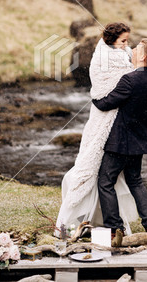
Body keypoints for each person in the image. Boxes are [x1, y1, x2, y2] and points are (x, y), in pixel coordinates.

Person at [55, 23, 139, 236]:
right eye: (123, 41)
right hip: (103, 116)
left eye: (127, 40)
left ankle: (102, 220)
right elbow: (105, 88)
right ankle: (80, 218)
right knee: (91, 165)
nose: (127, 45)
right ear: (111, 41)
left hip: (113, 115)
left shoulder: (123, 54)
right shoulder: (106, 58)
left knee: (106, 173)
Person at [92, 38, 147, 237]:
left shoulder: (129, 79)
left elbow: (106, 103)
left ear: (142, 56)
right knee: (135, 180)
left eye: (137, 48)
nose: (131, 50)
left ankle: (115, 228)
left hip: (121, 142)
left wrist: (94, 95)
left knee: (105, 182)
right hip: (140, 140)